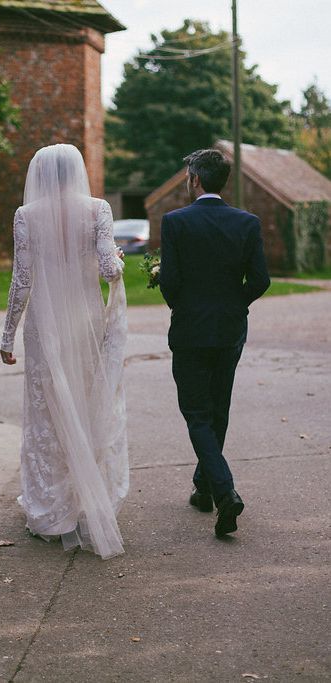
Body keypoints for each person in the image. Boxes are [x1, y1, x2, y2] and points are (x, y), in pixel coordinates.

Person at [0, 143, 128, 560]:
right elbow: (110, 270)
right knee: (87, 404)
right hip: (85, 323)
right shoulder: (98, 209)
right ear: (75, 172)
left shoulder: (26, 216)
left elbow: (22, 281)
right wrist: (118, 261)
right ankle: (86, 499)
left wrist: (7, 336)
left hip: (46, 326)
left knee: (47, 412)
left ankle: (51, 513)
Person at [159, 148, 270, 538]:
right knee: (217, 409)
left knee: (196, 414)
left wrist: (186, 307)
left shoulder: (175, 222)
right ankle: (204, 487)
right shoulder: (247, 223)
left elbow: (170, 281)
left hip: (190, 329)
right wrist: (232, 305)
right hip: (229, 329)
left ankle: (224, 492)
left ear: (195, 180)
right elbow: (260, 281)